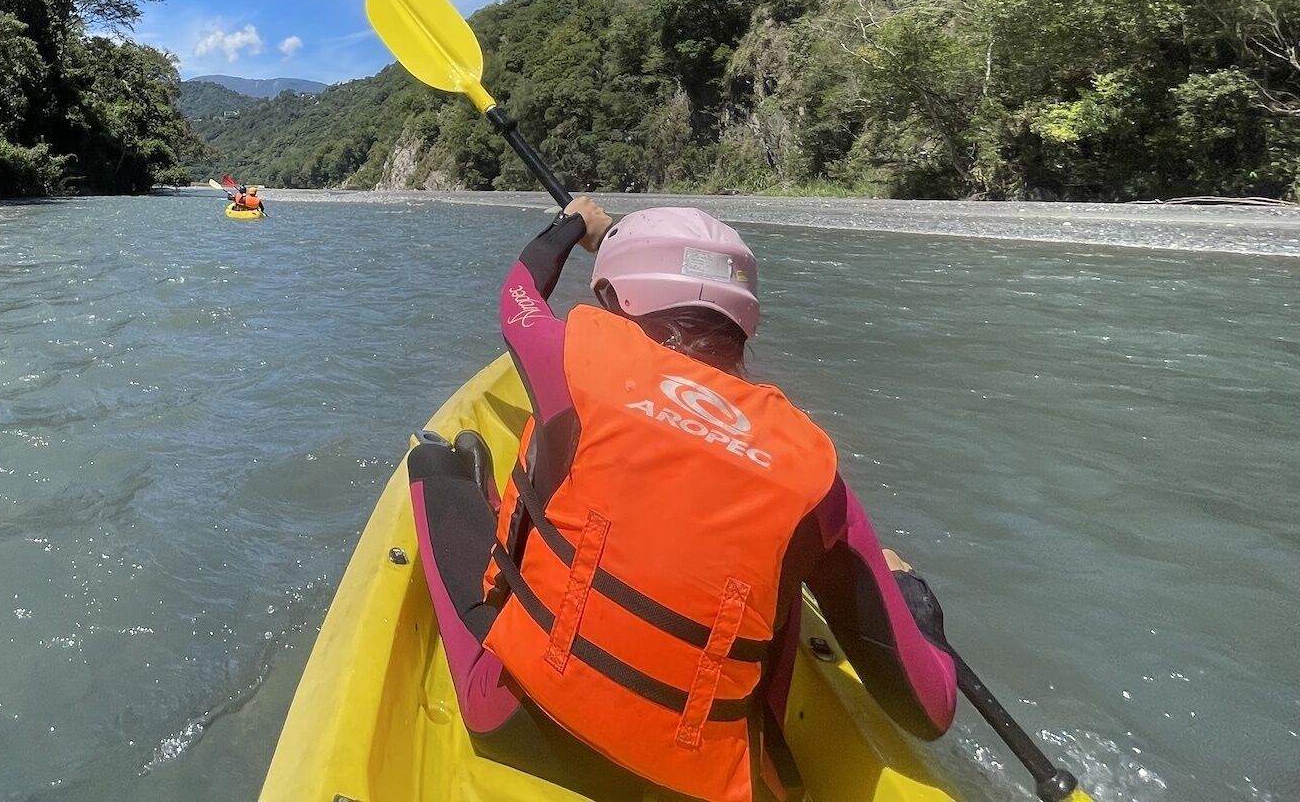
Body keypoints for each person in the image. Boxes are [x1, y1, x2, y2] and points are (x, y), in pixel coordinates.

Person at [408, 198, 957, 802]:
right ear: (742, 322)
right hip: (691, 788)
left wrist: (575, 225)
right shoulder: (814, 471)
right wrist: (915, 604)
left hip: (527, 728)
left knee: (433, 462)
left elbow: (519, 295)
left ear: (617, 302)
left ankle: (463, 473)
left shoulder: (577, 359)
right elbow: (929, 708)